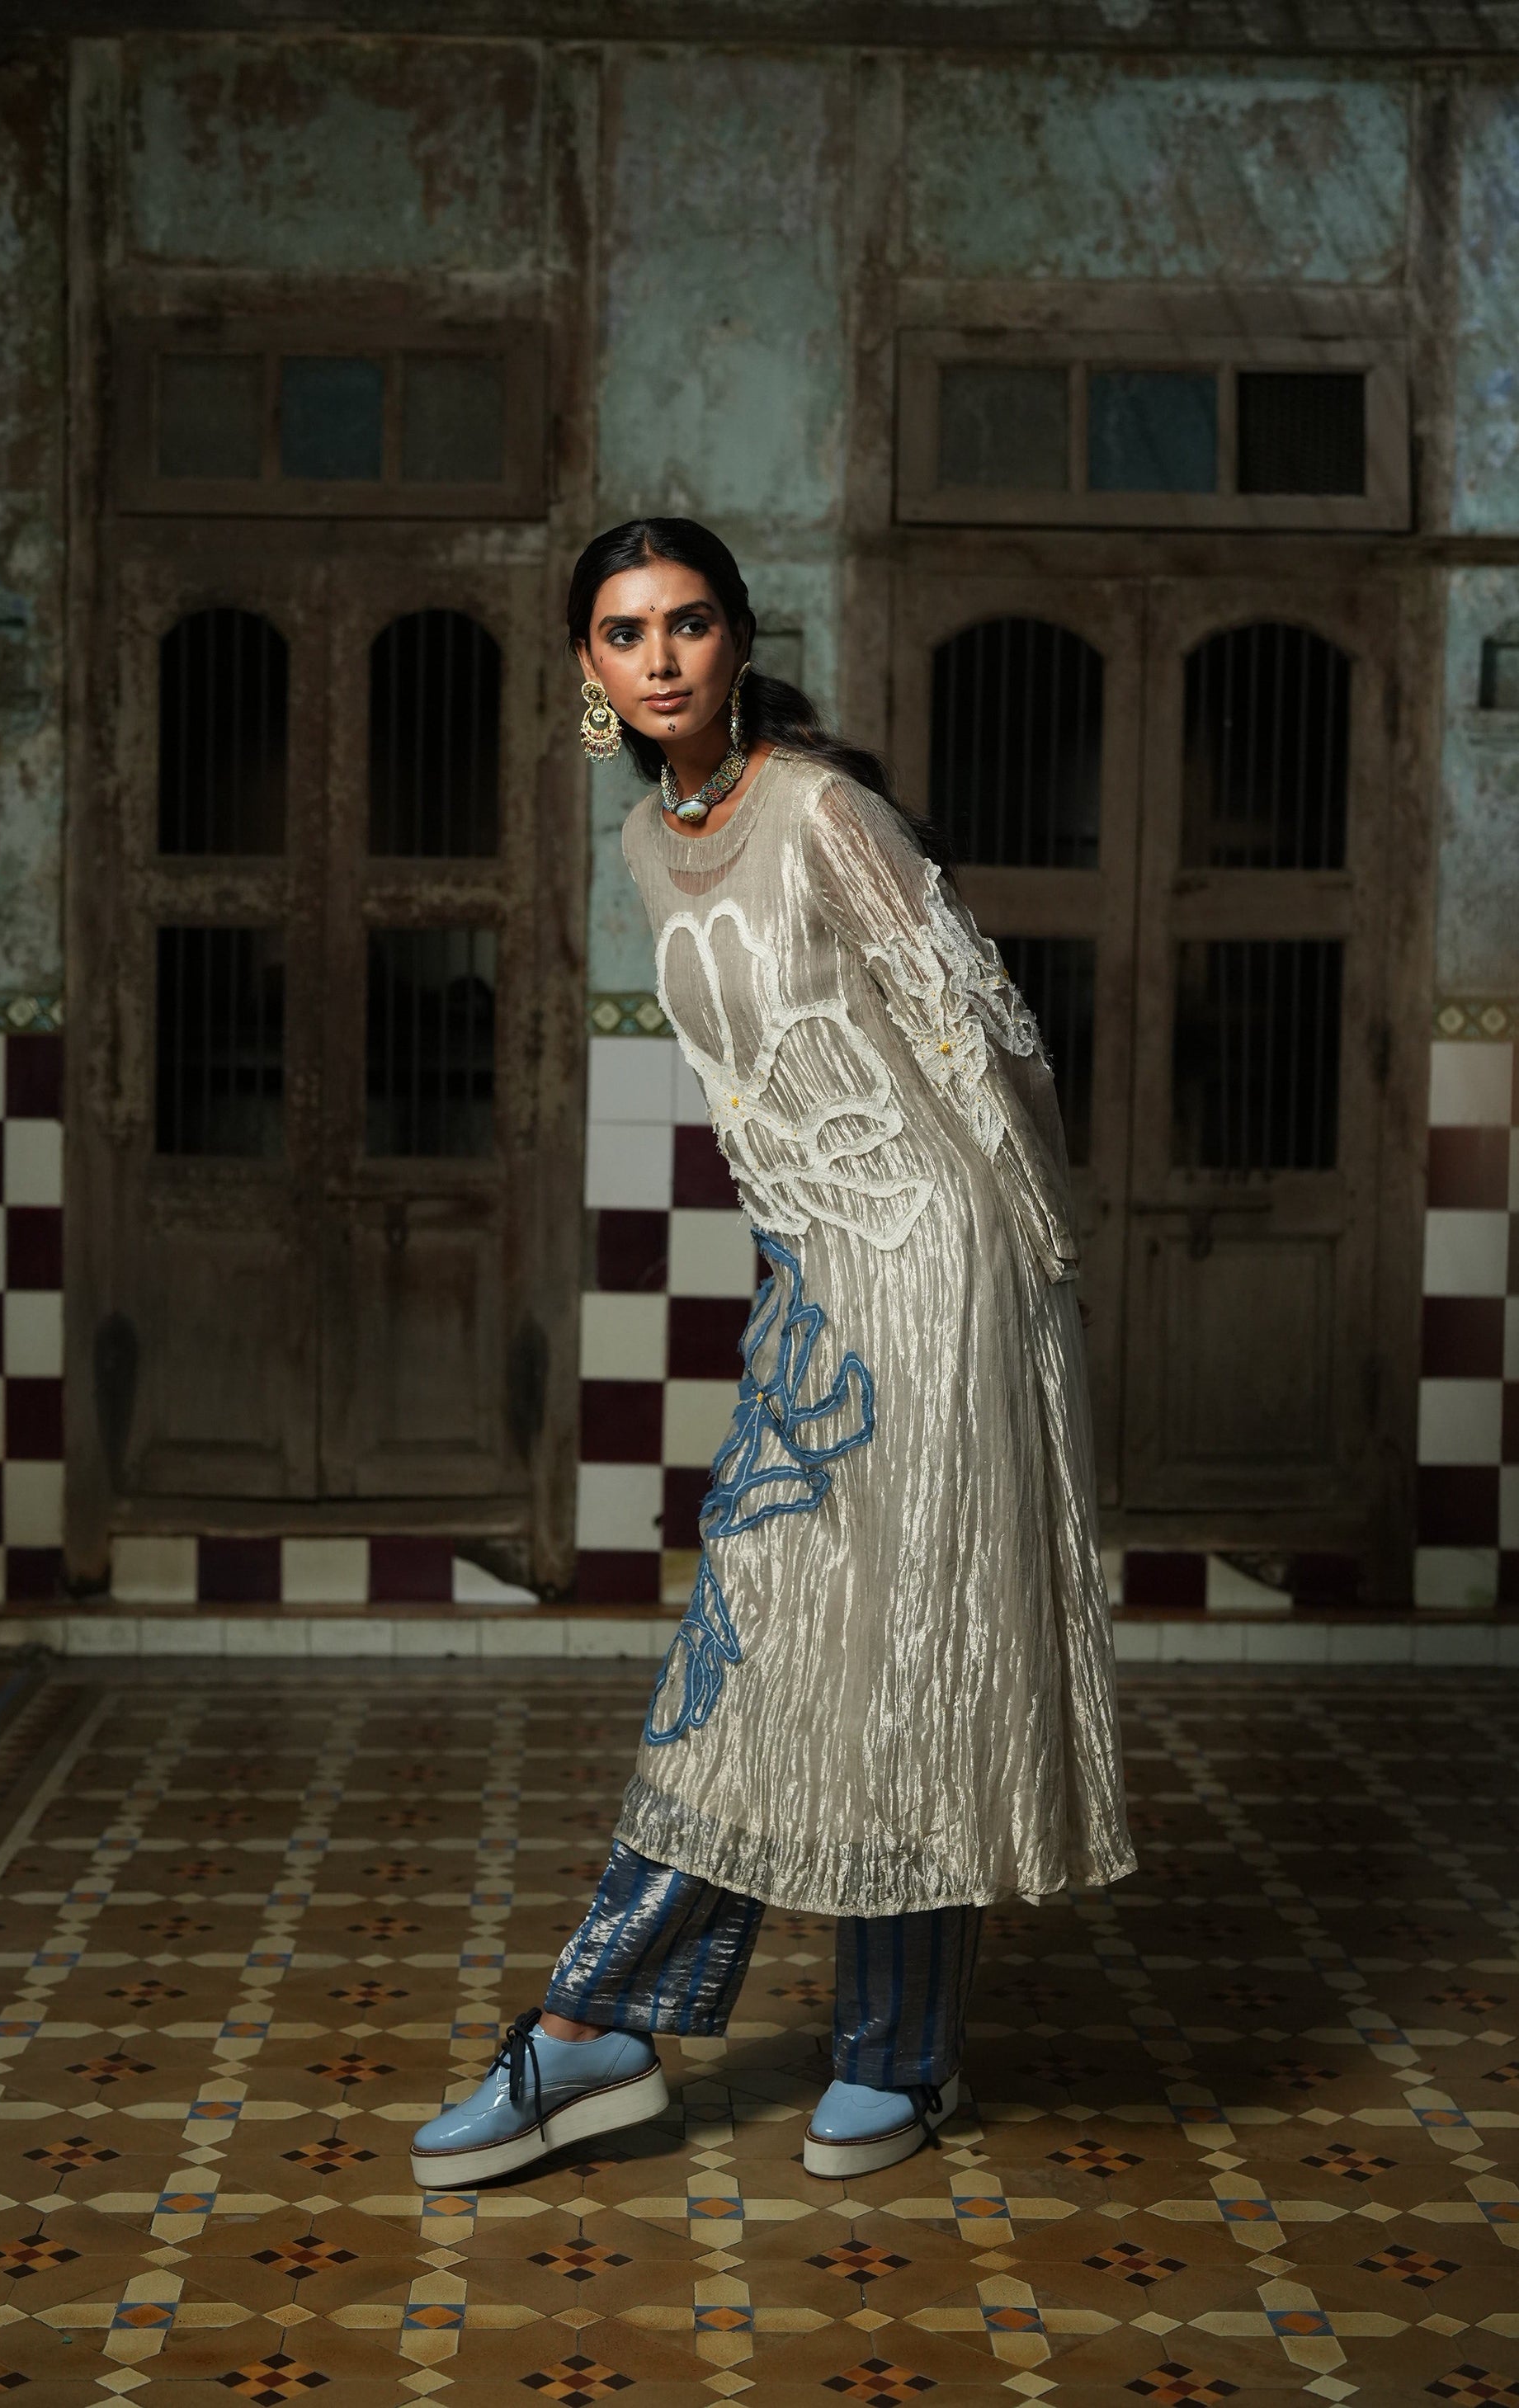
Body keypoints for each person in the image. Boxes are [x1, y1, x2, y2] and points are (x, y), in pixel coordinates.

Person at [411, 517, 1135, 2191]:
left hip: (940, 1267)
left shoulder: (822, 813)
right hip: (817, 1274)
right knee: (770, 1652)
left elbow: (983, 1037)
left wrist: (1034, 1274)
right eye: (622, 633)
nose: (657, 658)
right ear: (587, 668)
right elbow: (750, 1090)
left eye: (685, 623)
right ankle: (615, 2030)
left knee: (907, 1650)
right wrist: (800, 1268)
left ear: (737, 639)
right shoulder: (642, 840)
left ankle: (840, 2050)